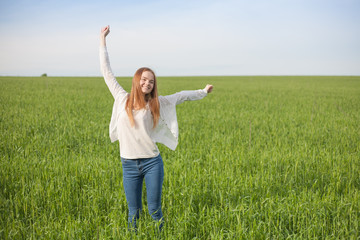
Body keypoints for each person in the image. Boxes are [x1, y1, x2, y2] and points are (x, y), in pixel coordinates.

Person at [99, 25, 213, 231]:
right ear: (137, 80)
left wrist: (203, 91)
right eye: (144, 79)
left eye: (151, 82)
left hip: (152, 163)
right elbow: (107, 72)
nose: (147, 84)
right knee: (133, 212)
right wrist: (102, 40)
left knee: (154, 210)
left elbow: (181, 96)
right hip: (129, 165)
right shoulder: (121, 97)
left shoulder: (155, 104)